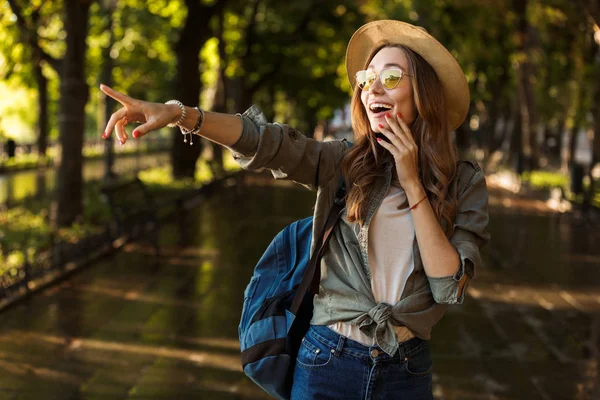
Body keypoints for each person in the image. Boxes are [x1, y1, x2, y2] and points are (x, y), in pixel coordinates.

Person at [101, 19, 490, 400]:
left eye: (390, 78)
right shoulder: (345, 162)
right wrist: (181, 114)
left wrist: (411, 182)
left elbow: (447, 287)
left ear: (423, 93)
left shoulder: (463, 183)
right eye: (366, 79)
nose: (373, 90)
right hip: (327, 362)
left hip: (407, 370)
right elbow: (267, 142)